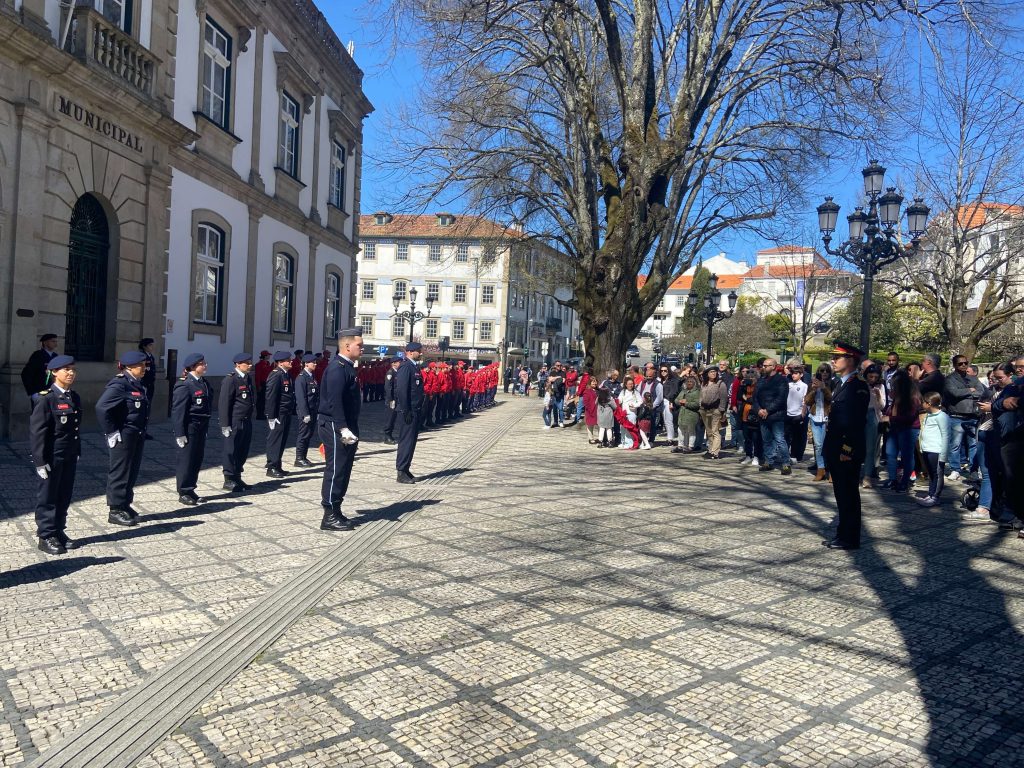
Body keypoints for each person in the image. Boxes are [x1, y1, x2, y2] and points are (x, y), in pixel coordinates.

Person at [29, 355, 81, 554]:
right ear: (53, 373)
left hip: (68, 454)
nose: (70, 373)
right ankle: (46, 535)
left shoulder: (73, 397)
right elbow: (38, 432)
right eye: (65, 369)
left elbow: (75, 429)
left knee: (64, 494)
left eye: (72, 369)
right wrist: (40, 461)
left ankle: (59, 530)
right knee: (48, 496)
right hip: (51, 456)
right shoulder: (46, 398)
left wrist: (77, 451)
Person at [823, 341, 870, 550]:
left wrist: (847, 450)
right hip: (835, 447)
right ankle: (843, 533)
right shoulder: (841, 384)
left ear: (850, 361)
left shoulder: (857, 387)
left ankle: (850, 537)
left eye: (837, 357)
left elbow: (855, 422)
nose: (833, 360)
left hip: (846, 451)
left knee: (848, 494)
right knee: (842, 495)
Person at [96, 350, 151, 527]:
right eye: (142, 366)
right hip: (123, 435)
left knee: (132, 471)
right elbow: (102, 408)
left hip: (136, 434)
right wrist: (111, 432)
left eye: (145, 365)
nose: (145, 369)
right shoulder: (120, 385)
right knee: (120, 472)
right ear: (130, 367)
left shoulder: (137, 383)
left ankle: (125, 504)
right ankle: (115, 509)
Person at [319, 330, 363, 530]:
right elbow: (335, 402)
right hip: (335, 425)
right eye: (359, 345)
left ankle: (336, 510)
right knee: (336, 468)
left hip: (346, 425)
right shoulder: (337, 368)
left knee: (344, 469)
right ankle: (329, 514)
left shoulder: (347, 367)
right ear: (347, 346)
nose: (362, 349)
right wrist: (343, 427)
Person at [171, 353, 211, 506]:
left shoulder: (203, 383)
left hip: (201, 427)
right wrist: (179, 433)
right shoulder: (184, 384)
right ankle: (184, 491)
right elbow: (178, 410)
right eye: (202, 363)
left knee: (196, 459)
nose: (205, 365)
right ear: (193, 366)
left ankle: (191, 488)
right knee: (186, 460)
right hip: (190, 427)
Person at [219, 352, 256, 493]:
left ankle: (237, 476)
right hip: (234, 421)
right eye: (247, 363)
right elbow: (224, 403)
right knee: (231, 450)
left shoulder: (247, 378)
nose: (250, 365)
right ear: (238, 365)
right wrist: (225, 424)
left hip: (246, 420)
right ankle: (229, 479)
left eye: (250, 362)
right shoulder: (231, 380)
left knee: (242, 449)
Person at [944, 354, 985, 480]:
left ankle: (973, 470)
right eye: (960, 363)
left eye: (965, 363)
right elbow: (954, 393)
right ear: (955, 365)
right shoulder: (949, 379)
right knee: (955, 444)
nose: (963, 365)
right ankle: (955, 469)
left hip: (973, 415)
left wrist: (968, 392)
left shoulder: (973, 378)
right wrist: (970, 391)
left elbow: (981, 391)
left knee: (973, 444)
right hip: (957, 415)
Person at [883, 369, 921, 493]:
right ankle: (892, 479)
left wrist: (890, 418)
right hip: (895, 428)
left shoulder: (913, 397)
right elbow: (891, 410)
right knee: (890, 453)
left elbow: (910, 417)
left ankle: (905, 481)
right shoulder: (897, 397)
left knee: (907, 455)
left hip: (908, 429)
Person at [394, 341, 424, 483]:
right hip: (409, 410)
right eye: (419, 351)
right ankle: (401, 471)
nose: (421, 353)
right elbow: (402, 390)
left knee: (411, 441)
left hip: (415, 409)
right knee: (406, 441)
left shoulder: (414, 366)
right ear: (410, 352)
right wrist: (405, 410)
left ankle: (406, 469)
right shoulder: (406, 366)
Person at [264, 350, 296, 478]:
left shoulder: (286, 374)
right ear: (281, 363)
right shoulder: (276, 375)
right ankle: (271, 467)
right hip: (278, 414)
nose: (291, 362)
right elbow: (271, 397)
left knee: (282, 440)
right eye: (288, 360)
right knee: (275, 440)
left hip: (286, 412)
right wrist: (271, 416)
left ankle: (277, 465)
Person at [755, 358, 789, 474]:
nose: (763, 367)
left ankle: (785, 464)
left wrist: (768, 410)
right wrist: (759, 409)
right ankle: (769, 461)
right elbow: (755, 397)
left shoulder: (781, 380)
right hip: (762, 415)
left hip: (776, 415)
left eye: (766, 365)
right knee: (766, 440)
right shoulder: (761, 380)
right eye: (763, 365)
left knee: (780, 440)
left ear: (774, 367)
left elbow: (781, 398)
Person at [917, 391, 950, 507]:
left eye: (923, 402)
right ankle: (931, 494)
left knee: (937, 474)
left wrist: (943, 455)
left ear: (929, 403)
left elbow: (946, 435)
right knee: (931, 474)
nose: (921, 404)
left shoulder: (942, 417)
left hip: (936, 450)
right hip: (927, 449)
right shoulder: (928, 415)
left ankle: (935, 497)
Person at [806, 363, 832, 481]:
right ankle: (820, 470)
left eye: (826, 371)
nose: (824, 373)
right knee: (818, 445)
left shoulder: (833, 383)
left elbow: (832, 398)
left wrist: (824, 387)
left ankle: (831, 471)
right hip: (815, 417)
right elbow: (807, 401)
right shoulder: (812, 384)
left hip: (828, 418)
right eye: (822, 371)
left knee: (829, 445)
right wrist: (814, 390)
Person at [294, 353, 320, 467]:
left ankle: (304, 456)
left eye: (315, 362)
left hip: (313, 409)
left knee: (309, 434)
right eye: (313, 362)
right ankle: (299, 458)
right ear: (306, 364)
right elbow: (301, 397)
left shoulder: (311, 376)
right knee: (303, 434)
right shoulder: (301, 377)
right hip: (306, 411)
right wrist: (305, 413)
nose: (315, 364)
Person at [862, 364, 885, 487]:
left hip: (873, 415)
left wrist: (878, 396)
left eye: (876, 377)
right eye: (871, 376)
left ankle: (867, 476)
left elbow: (882, 406)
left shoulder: (880, 386)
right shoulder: (861, 384)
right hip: (859, 415)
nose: (873, 379)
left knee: (870, 448)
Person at [699, 367, 728, 459]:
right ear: (707, 373)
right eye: (711, 372)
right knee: (709, 431)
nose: (713, 373)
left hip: (715, 410)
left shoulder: (720, 383)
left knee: (715, 431)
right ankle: (710, 449)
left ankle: (715, 452)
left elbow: (724, 398)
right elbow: (701, 396)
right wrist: (700, 406)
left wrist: (721, 410)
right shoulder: (704, 383)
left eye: (715, 372)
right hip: (704, 409)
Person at [21, 333, 59, 398]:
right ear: (45, 342)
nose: (55, 344)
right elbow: (26, 373)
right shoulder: (38, 355)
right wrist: (32, 392)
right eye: (53, 341)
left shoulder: (56, 356)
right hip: (40, 391)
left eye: (56, 341)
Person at [784, 363, 808, 464]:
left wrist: (803, 413)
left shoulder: (804, 386)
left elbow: (805, 400)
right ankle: (785, 454)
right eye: (793, 373)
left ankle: (794, 455)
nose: (794, 375)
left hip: (797, 414)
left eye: (796, 373)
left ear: (801, 375)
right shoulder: (788, 384)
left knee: (796, 436)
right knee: (786, 436)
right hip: (787, 413)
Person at [672, 376, 700, 453]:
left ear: (694, 383)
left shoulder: (697, 392)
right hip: (682, 415)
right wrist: (680, 401)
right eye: (688, 381)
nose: (689, 383)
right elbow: (676, 400)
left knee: (691, 431)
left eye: (691, 382)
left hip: (692, 415)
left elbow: (697, 404)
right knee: (680, 430)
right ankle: (680, 445)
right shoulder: (683, 391)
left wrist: (686, 403)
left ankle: (690, 446)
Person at [138, 338, 157, 439]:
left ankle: (144, 430)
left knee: (147, 409)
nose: (152, 347)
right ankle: (140, 431)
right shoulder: (142, 356)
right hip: (144, 385)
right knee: (142, 409)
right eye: (150, 345)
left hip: (150, 386)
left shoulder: (151, 357)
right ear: (144, 346)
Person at [617, 375, 642, 449]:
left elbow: (640, 401)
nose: (631, 385)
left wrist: (634, 405)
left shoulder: (635, 392)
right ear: (626, 384)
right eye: (629, 384)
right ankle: (623, 442)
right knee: (622, 428)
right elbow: (619, 399)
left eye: (632, 384)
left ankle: (630, 443)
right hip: (624, 413)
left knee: (630, 428)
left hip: (632, 412)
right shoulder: (623, 391)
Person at [660, 365, 681, 446]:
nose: (663, 372)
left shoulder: (672, 380)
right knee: (665, 421)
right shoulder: (661, 380)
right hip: (662, 401)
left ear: (668, 371)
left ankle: (670, 439)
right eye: (661, 371)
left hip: (668, 401)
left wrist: (671, 401)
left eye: (665, 370)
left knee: (669, 421)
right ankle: (669, 437)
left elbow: (674, 391)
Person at [381, 357, 401, 444]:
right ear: (394, 363)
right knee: (390, 417)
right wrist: (390, 400)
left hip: (396, 398)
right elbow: (388, 388)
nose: (400, 364)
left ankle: (390, 434)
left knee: (393, 418)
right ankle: (387, 436)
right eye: (399, 362)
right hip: (392, 399)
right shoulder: (391, 372)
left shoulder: (398, 372)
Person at [254, 350, 273, 420]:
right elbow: (257, 376)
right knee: (260, 400)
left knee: (264, 399)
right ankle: (259, 414)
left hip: (267, 383)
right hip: (262, 383)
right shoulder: (259, 364)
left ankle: (263, 413)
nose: (269, 356)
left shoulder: (267, 363)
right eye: (268, 355)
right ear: (265, 356)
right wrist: (258, 386)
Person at [582, 376, 600, 443]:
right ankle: (591, 438)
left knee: (599, 424)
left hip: (598, 410)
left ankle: (600, 437)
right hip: (590, 410)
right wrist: (589, 409)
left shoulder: (598, 390)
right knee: (590, 425)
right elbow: (585, 402)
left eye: (595, 382)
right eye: (593, 382)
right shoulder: (587, 391)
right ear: (590, 383)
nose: (595, 383)